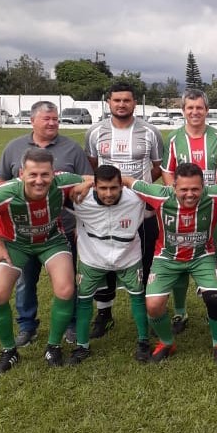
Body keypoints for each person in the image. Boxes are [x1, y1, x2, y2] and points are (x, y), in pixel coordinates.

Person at [0, 148, 88, 373]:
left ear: (53, 174)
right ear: (21, 173)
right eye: (33, 174)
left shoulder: (63, 182)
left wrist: (85, 184)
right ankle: (9, 350)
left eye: (45, 174)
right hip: (14, 244)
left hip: (52, 241)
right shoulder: (5, 192)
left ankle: (53, 346)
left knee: (66, 290)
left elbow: (94, 178)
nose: (39, 180)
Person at [0, 100, 92, 348]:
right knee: (25, 281)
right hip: (20, 233)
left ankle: (70, 325)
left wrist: (80, 193)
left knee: (66, 283)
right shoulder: (14, 147)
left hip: (61, 228)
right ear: (32, 121)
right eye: (46, 119)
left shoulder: (71, 148)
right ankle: (27, 326)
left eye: (55, 119)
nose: (52, 123)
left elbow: (87, 178)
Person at [123, 163, 217, 364]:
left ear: (204, 187)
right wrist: (89, 182)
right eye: (183, 189)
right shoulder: (159, 194)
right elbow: (126, 180)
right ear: (173, 186)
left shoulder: (215, 195)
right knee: (153, 305)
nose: (189, 194)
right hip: (167, 258)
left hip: (202, 256)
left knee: (215, 298)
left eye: (195, 189)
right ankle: (167, 342)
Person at [84, 82, 164, 339]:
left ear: (134, 103)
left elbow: (157, 168)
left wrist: (134, 190)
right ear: (109, 102)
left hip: (142, 211)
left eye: (126, 100)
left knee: (147, 262)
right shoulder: (95, 132)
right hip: (107, 211)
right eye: (116, 100)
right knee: (104, 261)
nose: (121, 104)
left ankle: (152, 314)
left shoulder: (151, 132)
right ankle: (104, 314)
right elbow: (94, 167)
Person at [161, 88, 217, 333]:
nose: (194, 112)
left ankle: (216, 307)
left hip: (210, 211)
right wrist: (179, 196)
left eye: (199, 108)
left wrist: (212, 199)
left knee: (211, 256)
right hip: (183, 209)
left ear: (206, 110)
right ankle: (181, 312)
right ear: (183, 111)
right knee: (180, 256)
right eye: (190, 108)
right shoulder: (173, 139)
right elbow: (167, 172)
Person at [67, 165, 150, 364]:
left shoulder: (136, 197)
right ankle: (82, 346)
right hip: (92, 259)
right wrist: (85, 182)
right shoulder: (79, 198)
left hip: (128, 257)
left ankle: (143, 342)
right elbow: (49, 184)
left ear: (121, 185)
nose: (109, 193)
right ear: (94, 186)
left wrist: (130, 180)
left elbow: (162, 194)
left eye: (114, 187)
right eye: (103, 188)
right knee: (84, 299)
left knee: (138, 296)